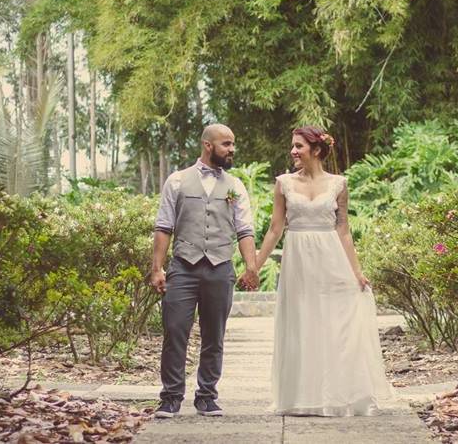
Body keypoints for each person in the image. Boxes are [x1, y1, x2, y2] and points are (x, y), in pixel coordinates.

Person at [255, 125, 393, 416]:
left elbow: (343, 229)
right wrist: (254, 266)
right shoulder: (283, 183)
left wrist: (356, 271)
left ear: (316, 150)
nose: (293, 151)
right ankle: (300, 396)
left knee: (334, 324)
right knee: (301, 324)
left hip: (331, 257)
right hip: (298, 261)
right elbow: (275, 229)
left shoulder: (339, 184)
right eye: (292, 146)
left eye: (299, 146)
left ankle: (337, 394)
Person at [149, 124, 260, 419]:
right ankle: (171, 397)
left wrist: (251, 267)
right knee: (175, 332)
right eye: (226, 144)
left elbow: (245, 229)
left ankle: (207, 396)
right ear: (208, 146)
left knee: (215, 336)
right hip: (183, 267)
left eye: (233, 144)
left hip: (220, 268)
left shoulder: (235, 186)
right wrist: (157, 268)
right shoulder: (176, 181)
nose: (232, 149)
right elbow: (164, 227)